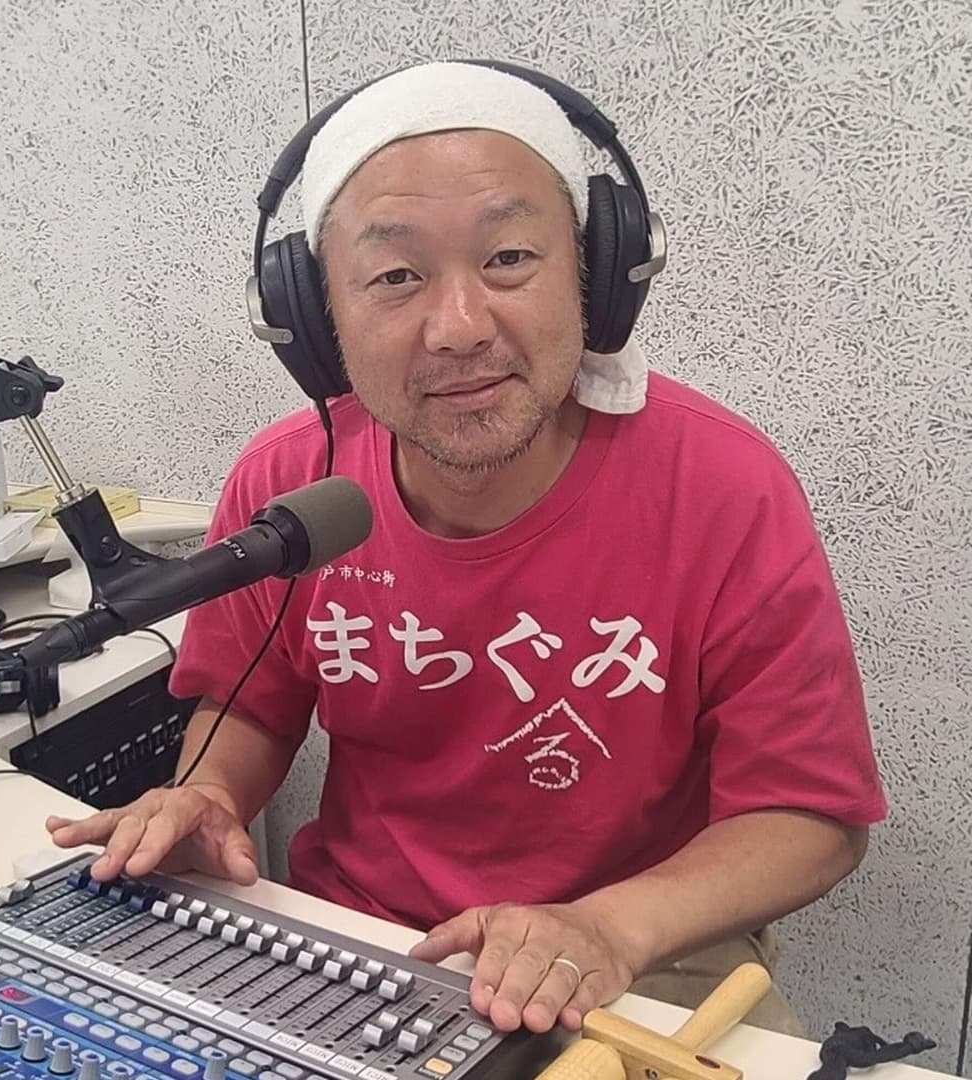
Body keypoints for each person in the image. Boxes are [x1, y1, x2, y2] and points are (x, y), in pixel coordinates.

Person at [46, 61, 886, 1039]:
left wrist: (609, 927)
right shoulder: (291, 487)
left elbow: (811, 818)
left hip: (644, 949)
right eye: (396, 277)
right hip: (365, 942)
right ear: (316, 320)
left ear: (595, 274)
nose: (459, 328)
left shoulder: (724, 487)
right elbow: (252, 706)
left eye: (509, 258)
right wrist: (208, 791)